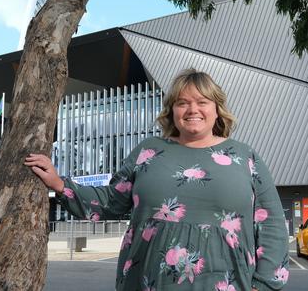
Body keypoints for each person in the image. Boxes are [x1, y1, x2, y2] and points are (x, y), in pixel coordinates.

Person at [26, 68, 289, 290]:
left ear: (217, 109)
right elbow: (112, 202)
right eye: (182, 102)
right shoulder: (148, 151)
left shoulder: (245, 157)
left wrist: (264, 284)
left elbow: (273, 223)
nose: (192, 109)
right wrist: (59, 184)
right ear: (172, 110)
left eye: (202, 102)